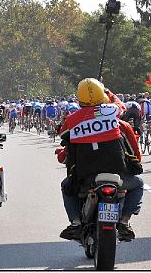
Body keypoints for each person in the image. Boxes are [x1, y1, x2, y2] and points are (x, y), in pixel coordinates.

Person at [57, 78, 143, 242]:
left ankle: (75, 223)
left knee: (66, 186)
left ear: (79, 98)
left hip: (85, 178)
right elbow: (121, 106)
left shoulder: (73, 120)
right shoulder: (115, 117)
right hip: (117, 175)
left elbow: (63, 136)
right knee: (138, 183)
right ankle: (124, 222)